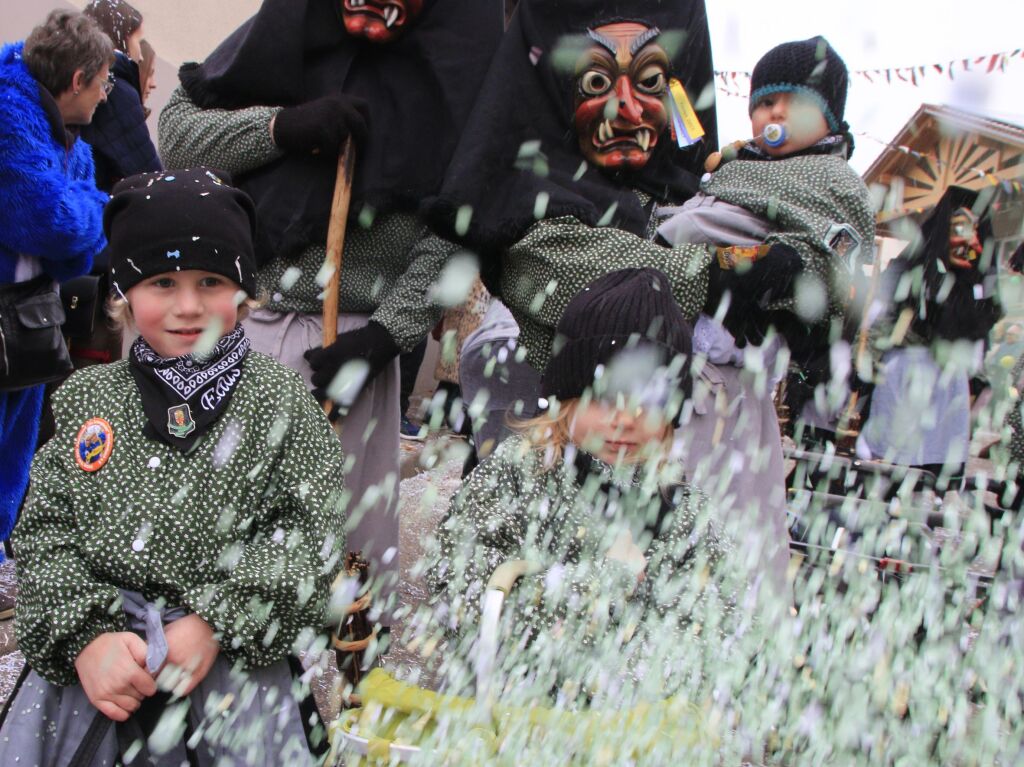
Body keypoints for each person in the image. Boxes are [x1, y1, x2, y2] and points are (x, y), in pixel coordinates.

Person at [159, 0, 503, 612]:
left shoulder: (460, 70)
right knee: (231, 536)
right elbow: (180, 138)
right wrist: (278, 128)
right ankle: (232, 676)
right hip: (248, 326)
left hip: (356, 347)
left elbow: (463, 224)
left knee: (351, 553)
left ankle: (348, 685)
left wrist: (384, 337)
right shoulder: (287, 33)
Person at [0, 167, 347, 764]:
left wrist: (216, 620)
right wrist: (86, 641)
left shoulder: (282, 403)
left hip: (229, 678)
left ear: (243, 291)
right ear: (125, 292)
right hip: (101, 681)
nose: (189, 307)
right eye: (162, 282)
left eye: (211, 280)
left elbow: (310, 536)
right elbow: (44, 534)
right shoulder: (89, 400)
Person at [423, 270, 732, 763]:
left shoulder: (682, 507)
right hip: (517, 718)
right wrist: (587, 594)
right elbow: (454, 572)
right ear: (568, 395)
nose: (626, 419)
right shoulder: (522, 473)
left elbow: (720, 614)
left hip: (630, 733)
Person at [654, 36, 875, 591]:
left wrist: (784, 268)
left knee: (722, 493)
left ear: (826, 119)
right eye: (762, 103)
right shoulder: (734, 169)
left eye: (790, 103)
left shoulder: (832, 180)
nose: (772, 113)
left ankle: (724, 596)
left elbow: (845, 265)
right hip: (683, 323)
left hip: (733, 362)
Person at [0, 9, 111, 550]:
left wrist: (82, 217)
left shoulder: (74, 144)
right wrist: (95, 211)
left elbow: (74, 256)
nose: (106, 95)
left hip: (27, 317)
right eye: (104, 81)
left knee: (14, 452)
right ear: (76, 81)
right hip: (8, 310)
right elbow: (49, 219)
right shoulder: (7, 114)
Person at [858, 186, 1002, 486]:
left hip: (950, 387)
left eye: (976, 232)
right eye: (960, 229)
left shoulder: (978, 285)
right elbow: (878, 326)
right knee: (889, 472)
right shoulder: (911, 267)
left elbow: (980, 338)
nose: (970, 242)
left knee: (933, 478)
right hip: (904, 377)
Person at [82, 0, 161, 192]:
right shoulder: (117, 90)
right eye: (136, 39)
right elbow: (148, 176)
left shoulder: (87, 82)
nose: (140, 55)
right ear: (121, 39)